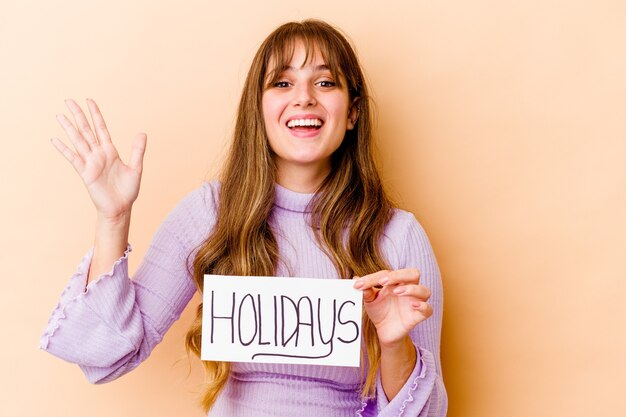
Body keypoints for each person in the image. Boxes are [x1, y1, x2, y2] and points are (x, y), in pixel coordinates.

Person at [40, 19, 447, 417]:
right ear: (259, 108)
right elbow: (109, 354)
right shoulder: (209, 213)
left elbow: (428, 414)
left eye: (325, 82)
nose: (304, 97)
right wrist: (113, 218)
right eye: (282, 82)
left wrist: (395, 345)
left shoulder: (398, 236)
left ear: (353, 112)